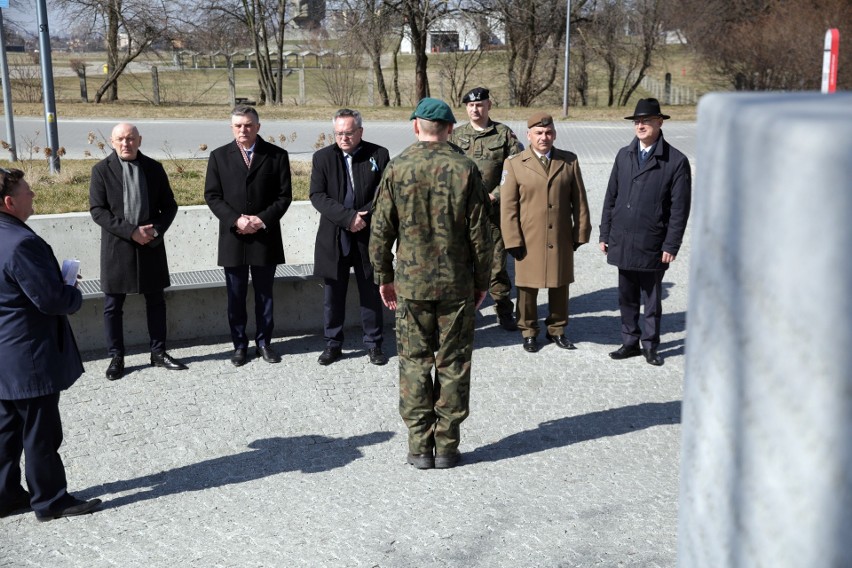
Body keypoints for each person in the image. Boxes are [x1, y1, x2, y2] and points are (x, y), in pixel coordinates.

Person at [369, 98, 493, 470]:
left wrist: (383, 276)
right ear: (451, 128)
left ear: (415, 127)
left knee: (414, 362)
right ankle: (448, 448)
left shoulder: (398, 167)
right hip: (456, 285)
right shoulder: (465, 167)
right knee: (453, 363)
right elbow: (481, 236)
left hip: (412, 286)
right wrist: (482, 281)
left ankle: (419, 448)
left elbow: (379, 232)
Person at [0, 168, 102, 521]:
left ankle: (6, 495)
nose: (33, 195)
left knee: (6, 429)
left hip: (4, 354)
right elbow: (50, 300)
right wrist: (71, 291)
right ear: (10, 201)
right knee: (40, 432)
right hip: (27, 354)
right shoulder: (20, 242)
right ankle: (51, 501)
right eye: (28, 191)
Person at [89, 123, 187, 380]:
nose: (126, 143)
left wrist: (154, 231)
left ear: (139, 140)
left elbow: (170, 206)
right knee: (113, 305)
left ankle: (158, 353)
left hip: (151, 245)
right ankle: (116, 356)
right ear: (112, 141)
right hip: (117, 247)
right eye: (120, 139)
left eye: (130, 138)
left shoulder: (154, 168)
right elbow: (98, 210)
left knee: (156, 301)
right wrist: (130, 231)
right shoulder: (100, 171)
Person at [599, 98, 692, 366]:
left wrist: (671, 244)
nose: (640, 125)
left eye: (646, 121)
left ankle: (650, 345)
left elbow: (679, 210)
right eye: (637, 121)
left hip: (652, 240)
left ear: (659, 123)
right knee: (626, 296)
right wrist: (605, 234)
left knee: (651, 299)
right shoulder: (623, 154)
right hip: (623, 237)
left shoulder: (675, 161)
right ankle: (630, 341)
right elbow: (611, 197)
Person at [204, 105, 293, 367]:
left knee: (265, 295)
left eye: (249, 125)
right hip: (234, 237)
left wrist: (261, 219)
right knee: (235, 295)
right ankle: (239, 345)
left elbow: (284, 196)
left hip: (264, 236)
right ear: (232, 128)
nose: (244, 129)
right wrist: (236, 220)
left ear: (258, 126)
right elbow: (212, 195)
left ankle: (264, 343)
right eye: (238, 125)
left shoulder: (276, 155)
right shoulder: (219, 156)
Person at [500, 112, 591, 353]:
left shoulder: (569, 161)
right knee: (527, 287)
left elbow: (579, 200)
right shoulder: (515, 163)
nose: (544, 137)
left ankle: (557, 329)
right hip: (529, 237)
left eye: (548, 132)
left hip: (559, 235)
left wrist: (580, 232)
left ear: (555, 134)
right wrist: (512, 239)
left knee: (560, 284)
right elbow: (508, 207)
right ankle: (529, 331)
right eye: (539, 133)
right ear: (528, 135)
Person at [310, 108, 390, 366]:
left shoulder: (378, 154)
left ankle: (374, 344)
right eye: (338, 133)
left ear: (360, 131)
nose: (343, 138)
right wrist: (347, 218)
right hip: (335, 235)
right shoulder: (322, 158)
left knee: (370, 290)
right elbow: (317, 196)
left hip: (368, 234)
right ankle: (333, 344)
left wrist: (362, 216)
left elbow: (384, 192)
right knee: (333, 294)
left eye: (349, 133)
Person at [450, 87, 523, 331]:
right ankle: (465, 312)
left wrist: (497, 194)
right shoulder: (456, 135)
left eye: (480, 105)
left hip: (494, 213)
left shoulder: (503, 134)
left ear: (489, 105)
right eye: (470, 105)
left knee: (496, 265)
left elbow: (516, 168)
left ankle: (503, 309)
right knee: (462, 263)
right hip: (463, 214)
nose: (475, 109)